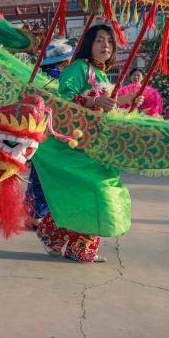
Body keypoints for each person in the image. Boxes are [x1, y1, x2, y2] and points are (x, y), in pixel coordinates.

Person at [32, 24, 129, 263]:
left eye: (109, 41)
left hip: (95, 146)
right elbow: (63, 99)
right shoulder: (80, 67)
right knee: (95, 191)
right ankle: (71, 243)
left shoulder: (102, 74)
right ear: (88, 44)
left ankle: (56, 237)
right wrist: (93, 101)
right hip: (76, 144)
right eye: (99, 40)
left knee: (86, 193)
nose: (106, 45)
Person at [26, 40, 74, 223]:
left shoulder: (38, 76)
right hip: (55, 132)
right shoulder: (63, 80)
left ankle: (31, 212)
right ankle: (39, 214)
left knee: (37, 173)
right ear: (66, 62)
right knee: (47, 177)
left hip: (37, 129)